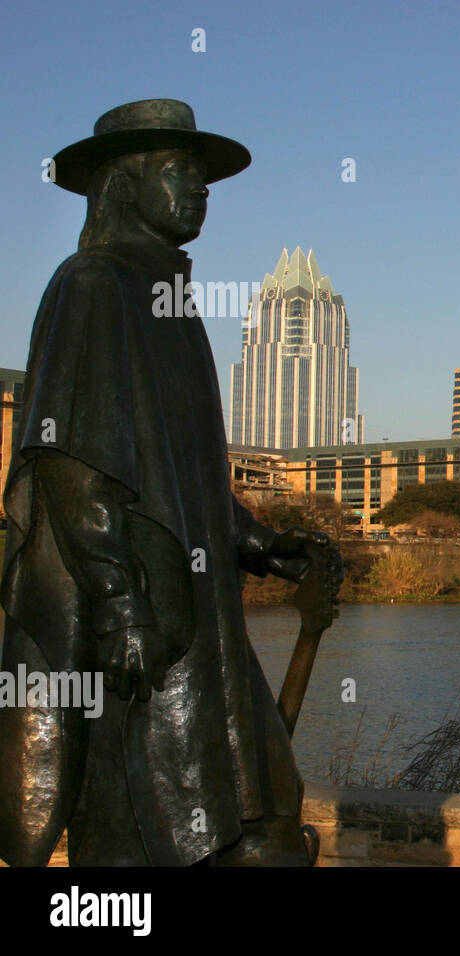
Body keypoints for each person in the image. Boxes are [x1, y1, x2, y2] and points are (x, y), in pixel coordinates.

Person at [0, 100, 339, 867]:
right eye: (179, 171)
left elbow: (186, 478)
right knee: (147, 836)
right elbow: (68, 460)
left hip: (207, 624)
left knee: (268, 825)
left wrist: (263, 543)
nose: (200, 188)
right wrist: (119, 603)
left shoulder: (174, 302)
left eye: (202, 174)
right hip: (145, 628)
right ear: (123, 185)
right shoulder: (90, 285)